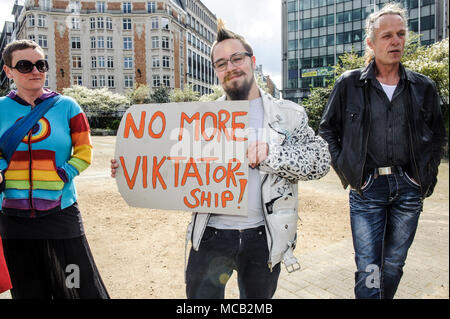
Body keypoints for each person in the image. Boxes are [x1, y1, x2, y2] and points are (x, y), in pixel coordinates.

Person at [111, 20, 330, 299]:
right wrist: (131, 165)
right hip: (211, 234)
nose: (231, 67)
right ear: (215, 71)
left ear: (251, 61)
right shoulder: (199, 116)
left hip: (264, 236)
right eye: (221, 63)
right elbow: (168, 162)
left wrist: (272, 154)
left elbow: (321, 160)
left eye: (237, 58)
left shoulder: (289, 114)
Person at [319, 3, 446, 299]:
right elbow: (327, 130)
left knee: (393, 264)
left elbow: (438, 136)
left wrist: (423, 178)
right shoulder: (350, 84)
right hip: (367, 188)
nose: (396, 41)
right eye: (387, 35)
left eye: (400, 34)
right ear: (371, 43)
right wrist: (348, 171)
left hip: (408, 187)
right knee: (368, 267)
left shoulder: (422, 87)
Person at [0, 40, 109, 299]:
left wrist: (64, 174)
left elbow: (85, 151)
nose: (35, 71)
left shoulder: (68, 106)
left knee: (78, 286)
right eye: (25, 65)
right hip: (12, 217)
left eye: (41, 64)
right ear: (8, 71)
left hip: (61, 213)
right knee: (28, 290)